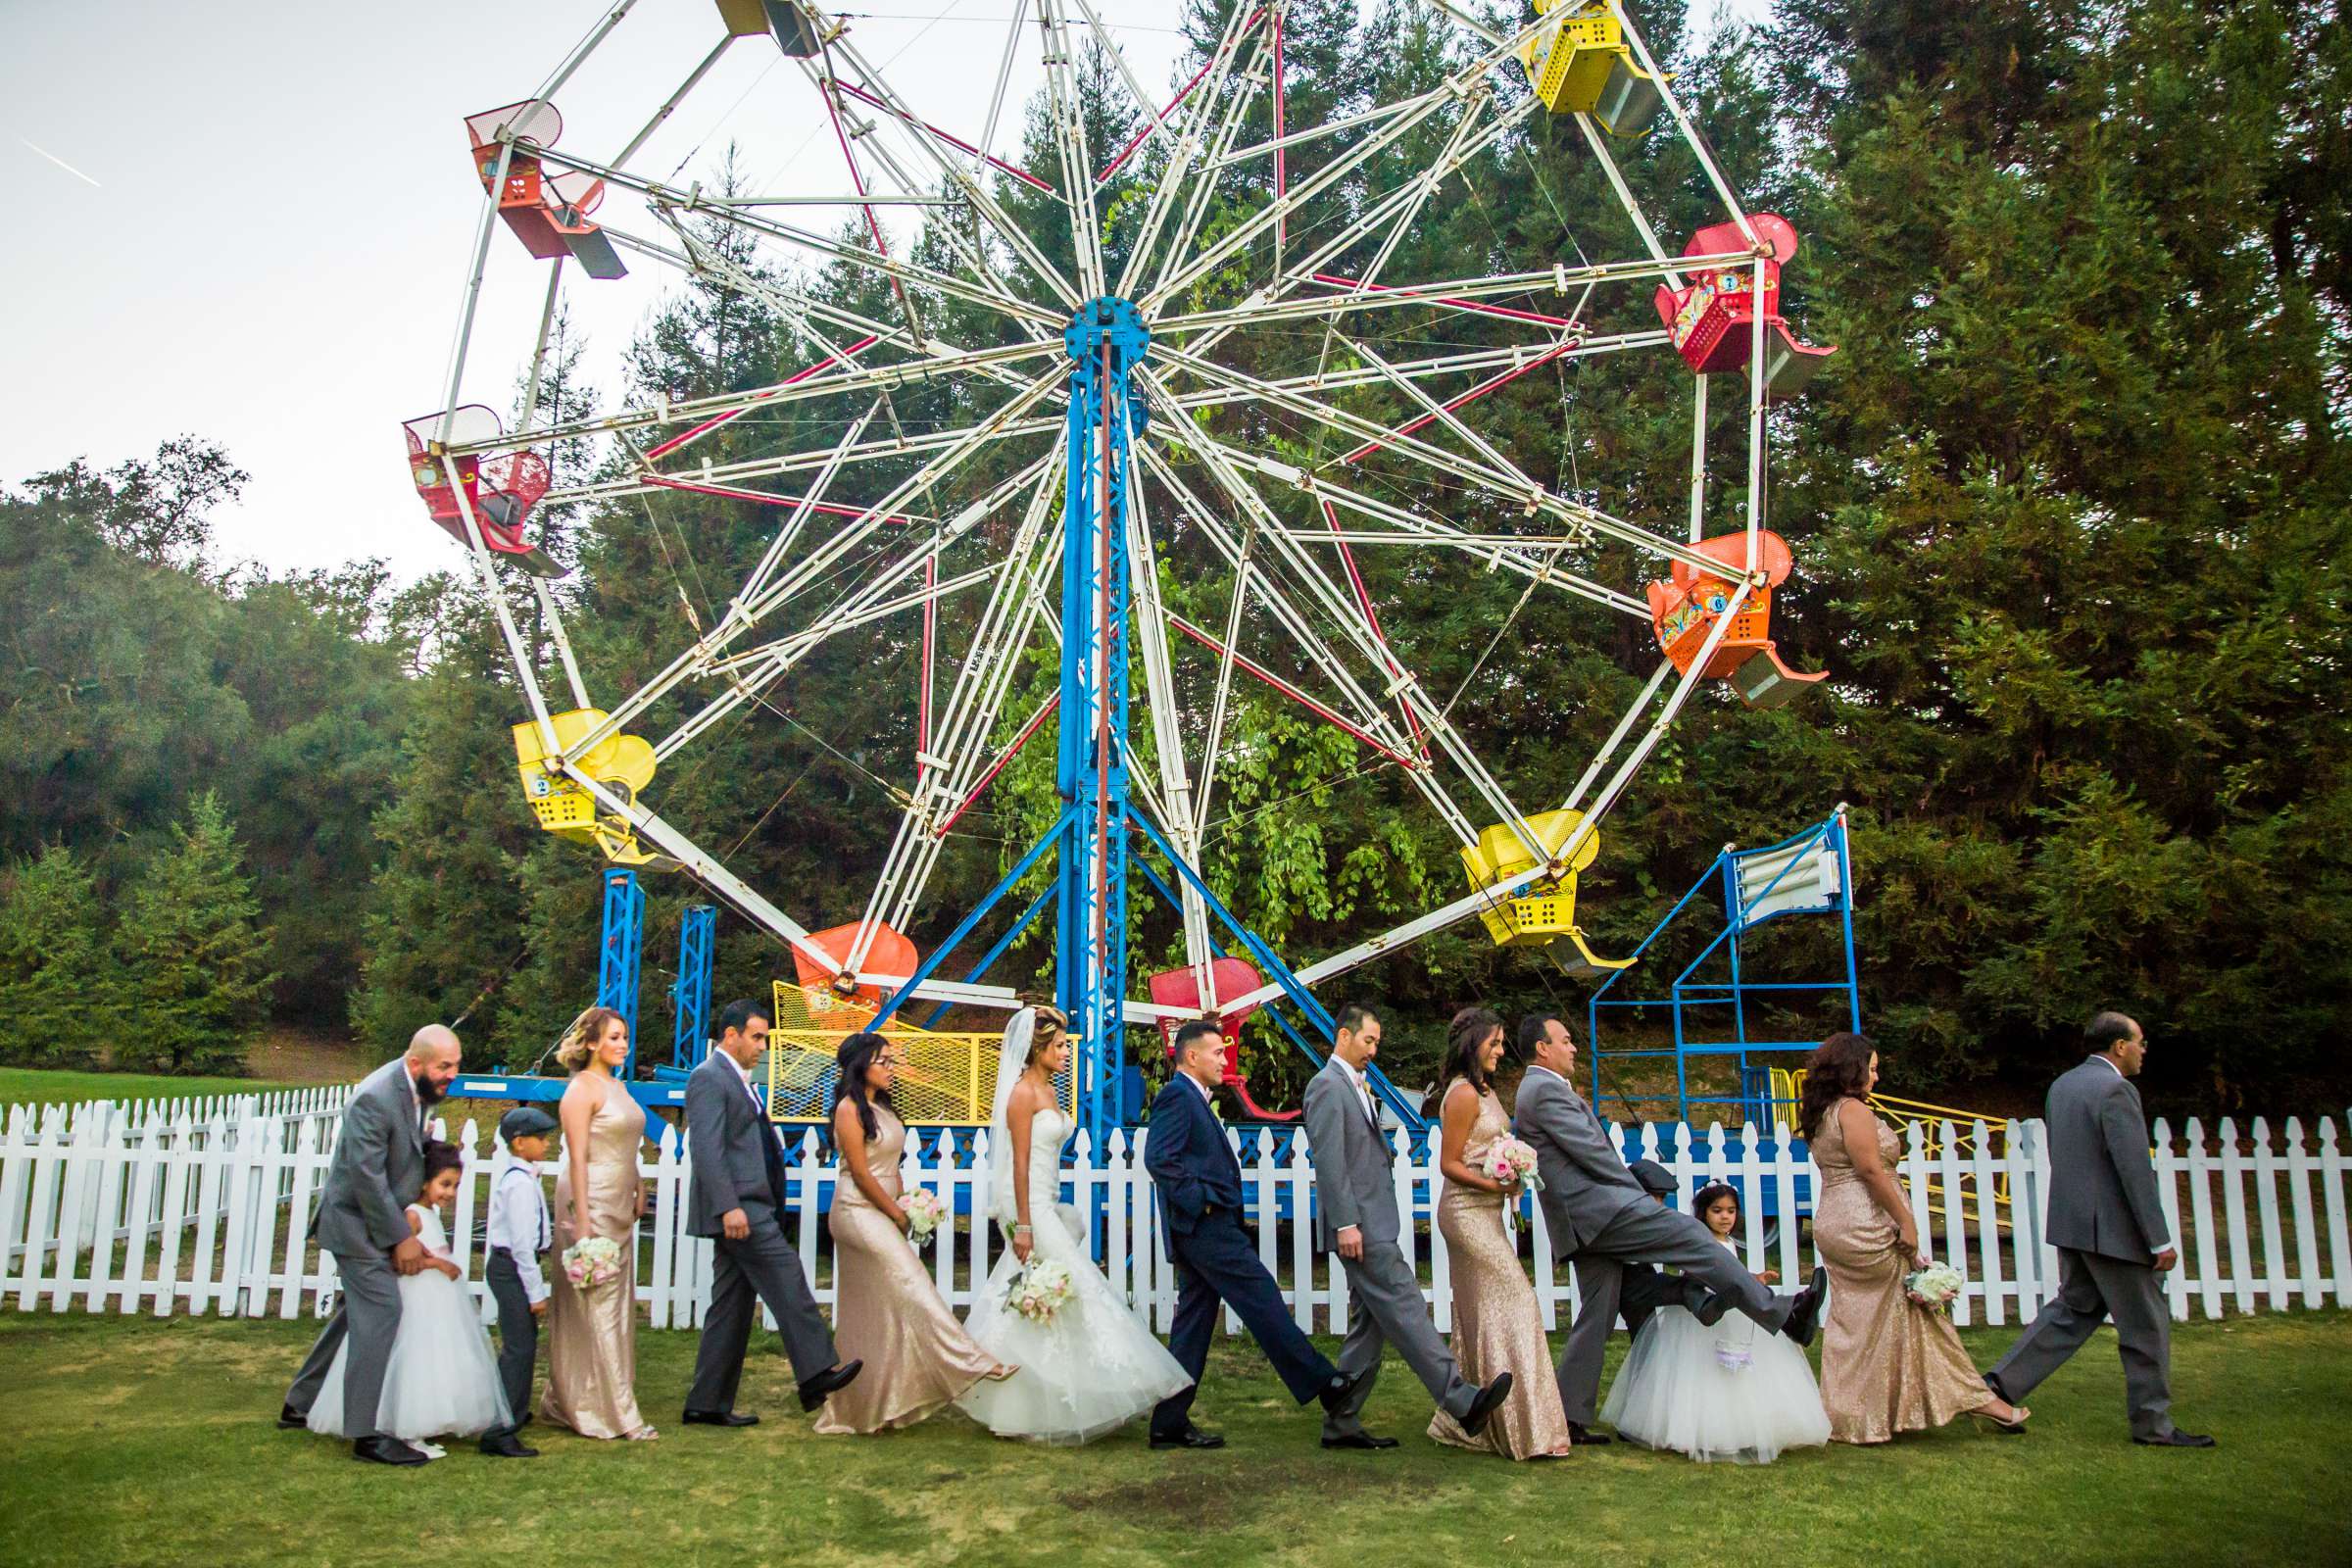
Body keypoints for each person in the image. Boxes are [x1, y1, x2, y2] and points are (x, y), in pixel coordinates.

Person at [1512, 1013, 1824, 1444]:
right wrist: (1637, 1198)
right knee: (1693, 1236)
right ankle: (1782, 1313)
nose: (1574, 1047)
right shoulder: (1543, 1089)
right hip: (1600, 1213)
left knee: (1596, 1315)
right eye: (1565, 1040)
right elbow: (1592, 1155)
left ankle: (1566, 1417)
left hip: (1584, 1221)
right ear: (1542, 1048)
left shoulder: (1543, 1090)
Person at [959, 1004, 1193, 1444]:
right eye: (1061, 1046)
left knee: (1039, 1292)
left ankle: (1021, 1394)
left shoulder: (1049, 1090)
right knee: (1073, 1283)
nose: (1067, 1052)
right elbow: (1020, 1163)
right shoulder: (1022, 1094)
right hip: (1026, 1203)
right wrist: (1024, 1225)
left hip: (1045, 1199)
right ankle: (1068, 1391)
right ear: (1038, 1048)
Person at [1145, 1021, 1374, 1449]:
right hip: (1205, 1228)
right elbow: (1159, 1159)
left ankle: (1168, 1421)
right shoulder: (1178, 1096)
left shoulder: (1191, 1097)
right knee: (1261, 1298)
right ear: (1191, 1056)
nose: (1223, 1059)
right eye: (1216, 1052)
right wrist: (1203, 1202)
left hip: (1201, 1227)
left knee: (1193, 1324)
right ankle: (1327, 1384)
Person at [1985, 1012, 2211, 1447]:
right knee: (2146, 1326)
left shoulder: (2064, 1085)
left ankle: (1996, 1387)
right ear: (2119, 1046)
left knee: (2073, 1312)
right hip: (2112, 1231)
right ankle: (2153, 1425)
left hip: (2072, 1223)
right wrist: (2159, 1239)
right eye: (2140, 1042)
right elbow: (2132, 1170)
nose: (2144, 1051)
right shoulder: (2116, 1090)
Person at [1801, 1031, 2029, 1443]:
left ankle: (1854, 1417)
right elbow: (1870, 1170)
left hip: (1834, 1220)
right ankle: (1979, 1400)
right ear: (1852, 1069)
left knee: (1858, 1323)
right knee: (1915, 1313)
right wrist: (1906, 1221)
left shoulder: (1824, 1112)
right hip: (1865, 1221)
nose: (1876, 1076)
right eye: (1871, 1068)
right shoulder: (1852, 1111)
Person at [1302, 1003, 1512, 1450]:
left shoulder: (1355, 1085)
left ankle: (1341, 1423)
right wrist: (1345, 1224)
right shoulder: (1326, 1087)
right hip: (1360, 1227)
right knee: (1407, 1307)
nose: (1373, 1051)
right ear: (1343, 1036)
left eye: (1377, 1042)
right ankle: (1462, 1401)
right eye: (1367, 1041)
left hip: (1371, 1221)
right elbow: (1329, 1162)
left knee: (1369, 1327)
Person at [279, 1024, 464, 1467]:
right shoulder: (375, 1097)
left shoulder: (414, 1087)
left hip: (375, 1219)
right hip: (355, 1225)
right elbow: (366, 1176)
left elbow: (400, 1149)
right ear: (416, 1062)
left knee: (353, 1315)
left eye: (456, 1066)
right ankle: (365, 1433)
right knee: (382, 1309)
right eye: (445, 1066)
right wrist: (402, 1238)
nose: (452, 1075)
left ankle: (299, 1403)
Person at [818, 1030, 1014, 1434]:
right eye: (884, 1062)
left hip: (884, 1209)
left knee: (874, 1312)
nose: (892, 1069)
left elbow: (891, 1167)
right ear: (861, 1065)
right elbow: (860, 1172)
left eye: (893, 1061)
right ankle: (972, 1361)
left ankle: (865, 1406)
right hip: (857, 1212)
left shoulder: (882, 1108)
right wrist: (896, 1213)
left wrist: (907, 1203)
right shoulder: (848, 1109)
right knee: (912, 1282)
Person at [683, 999, 861, 1427]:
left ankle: (706, 1403)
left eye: (765, 1037)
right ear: (731, 1035)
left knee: (731, 1306)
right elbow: (706, 1148)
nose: (763, 1046)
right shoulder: (709, 1078)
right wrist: (728, 1205)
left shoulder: (737, 1079)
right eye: (757, 1036)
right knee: (787, 1277)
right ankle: (817, 1373)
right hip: (739, 1206)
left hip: (750, 1203)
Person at [1601, 1182, 1831, 1463]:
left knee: (1740, 1371)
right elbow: (1699, 1276)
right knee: (1702, 1372)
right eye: (1717, 1210)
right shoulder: (1697, 1242)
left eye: (1731, 1211)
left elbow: (1731, 1275)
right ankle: (1701, 1427)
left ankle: (1745, 1424)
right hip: (1703, 1315)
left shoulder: (1729, 1243)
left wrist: (1751, 1280)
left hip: (1731, 1310)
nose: (1725, 1217)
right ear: (1702, 1213)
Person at [308, 1140, 511, 1454]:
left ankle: (436, 1416)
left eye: (456, 1186)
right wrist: (438, 1263)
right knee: (416, 1358)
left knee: (442, 1355)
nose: (451, 1193)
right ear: (423, 1181)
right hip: (418, 1297)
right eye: (445, 1184)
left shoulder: (430, 1213)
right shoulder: (412, 1215)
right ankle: (407, 1425)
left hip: (440, 1301)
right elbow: (399, 1260)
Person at [1423, 1006, 1559, 1458]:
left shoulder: (1485, 1090)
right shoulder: (1461, 1095)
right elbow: (1449, 1164)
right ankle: (1521, 1426)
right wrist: (1495, 1183)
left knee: (1484, 1312)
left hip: (1488, 1211)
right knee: (1515, 1301)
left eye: (1502, 1043)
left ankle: (1470, 1419)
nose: (1502, 1050)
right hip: (1465, 1213)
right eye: (1495, 1043)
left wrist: (1513, 1170)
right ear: (1473, 1044)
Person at [543, 1006, 658, 1441]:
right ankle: (621, 1415)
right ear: (591, 1043)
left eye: (625, 1036)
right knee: (597, 1303)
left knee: (614, 1304)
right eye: (613, 1037)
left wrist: (640, 1184)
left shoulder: (618, 1085)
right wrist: (584, 1224)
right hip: (587, 1199)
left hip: (620, 1199)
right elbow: (577, 1157)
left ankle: (575, 1396)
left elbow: (626, 1143)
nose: (622, 1044)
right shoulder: (581, 1090)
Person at [478, 1106, 557, 1458]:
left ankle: (514, 1410)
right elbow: (523, 1246)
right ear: (519, 1143)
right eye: (540, 1138)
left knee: (523, 1342)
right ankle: (500, 1428)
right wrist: (536, 1293)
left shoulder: (523, 1177)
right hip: (511, 1267)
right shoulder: (519, 1185)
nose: (547, 1143)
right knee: (519, 1347)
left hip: (511, 1266)